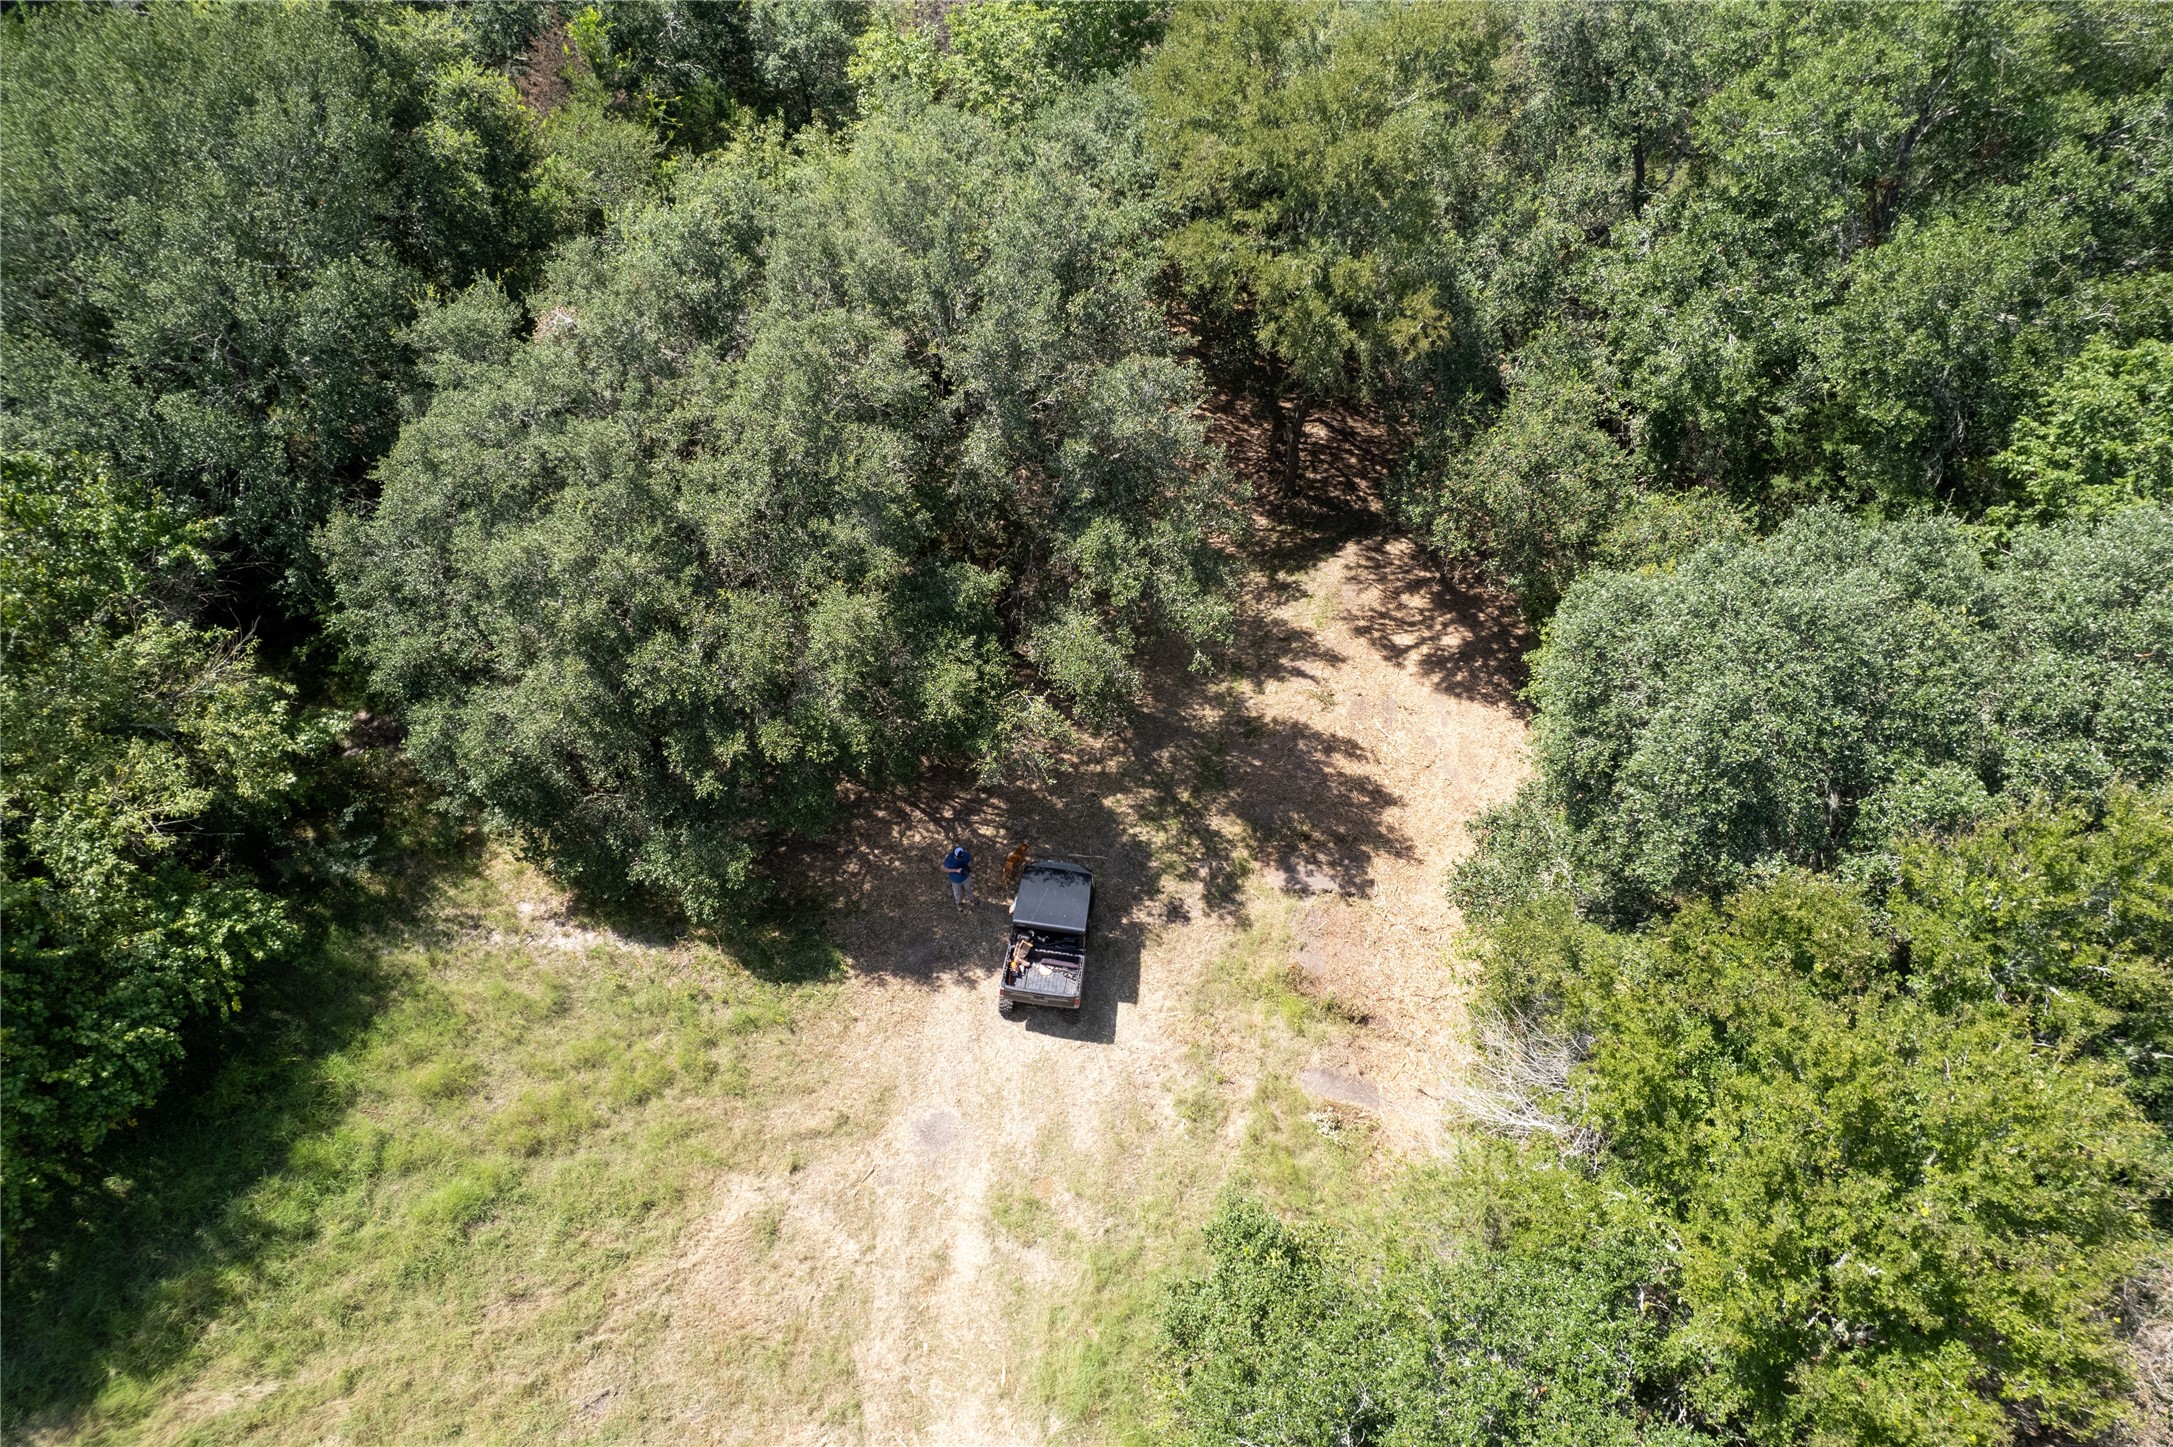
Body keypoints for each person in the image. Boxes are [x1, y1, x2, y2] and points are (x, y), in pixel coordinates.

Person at [942, 842, 974, 907]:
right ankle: (958, 903)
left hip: (965, 876)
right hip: (955, 879)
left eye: (961, 857)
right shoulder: (949, 859)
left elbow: (970, 860)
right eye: (959, 858)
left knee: (969, 888)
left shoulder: (965, 854)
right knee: (957, 892)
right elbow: (944, 870)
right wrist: (956, 870)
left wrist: (969, 865)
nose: (960, 859)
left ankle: (972, 898)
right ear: (955, 855)